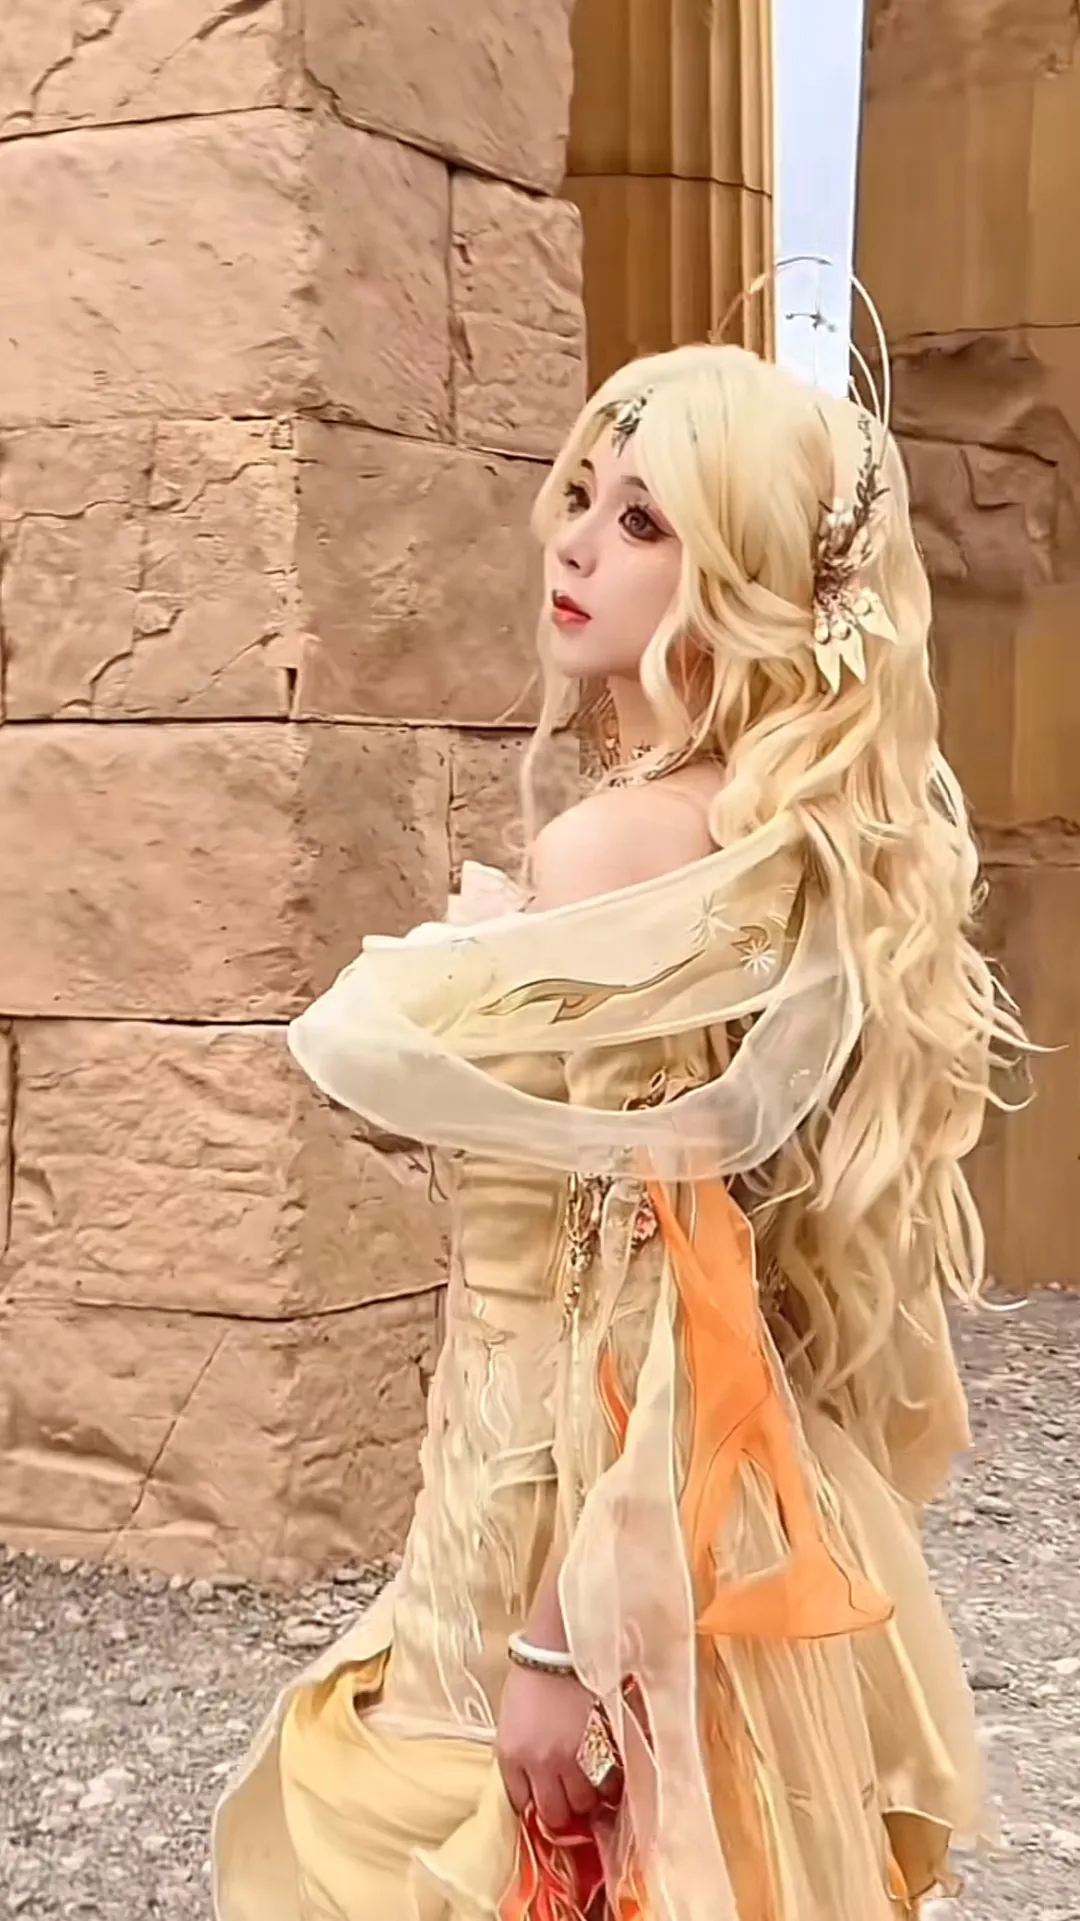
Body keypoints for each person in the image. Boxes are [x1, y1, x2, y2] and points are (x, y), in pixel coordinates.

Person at [213, 342, 1026, 1921]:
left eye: (644, 520)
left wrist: (560, 1636)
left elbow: (660, 1288)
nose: (576, 542)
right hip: (696, 1495)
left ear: (742, 580)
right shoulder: (771, 837)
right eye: (581, 497)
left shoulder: (620, 849)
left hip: (557, 1497)